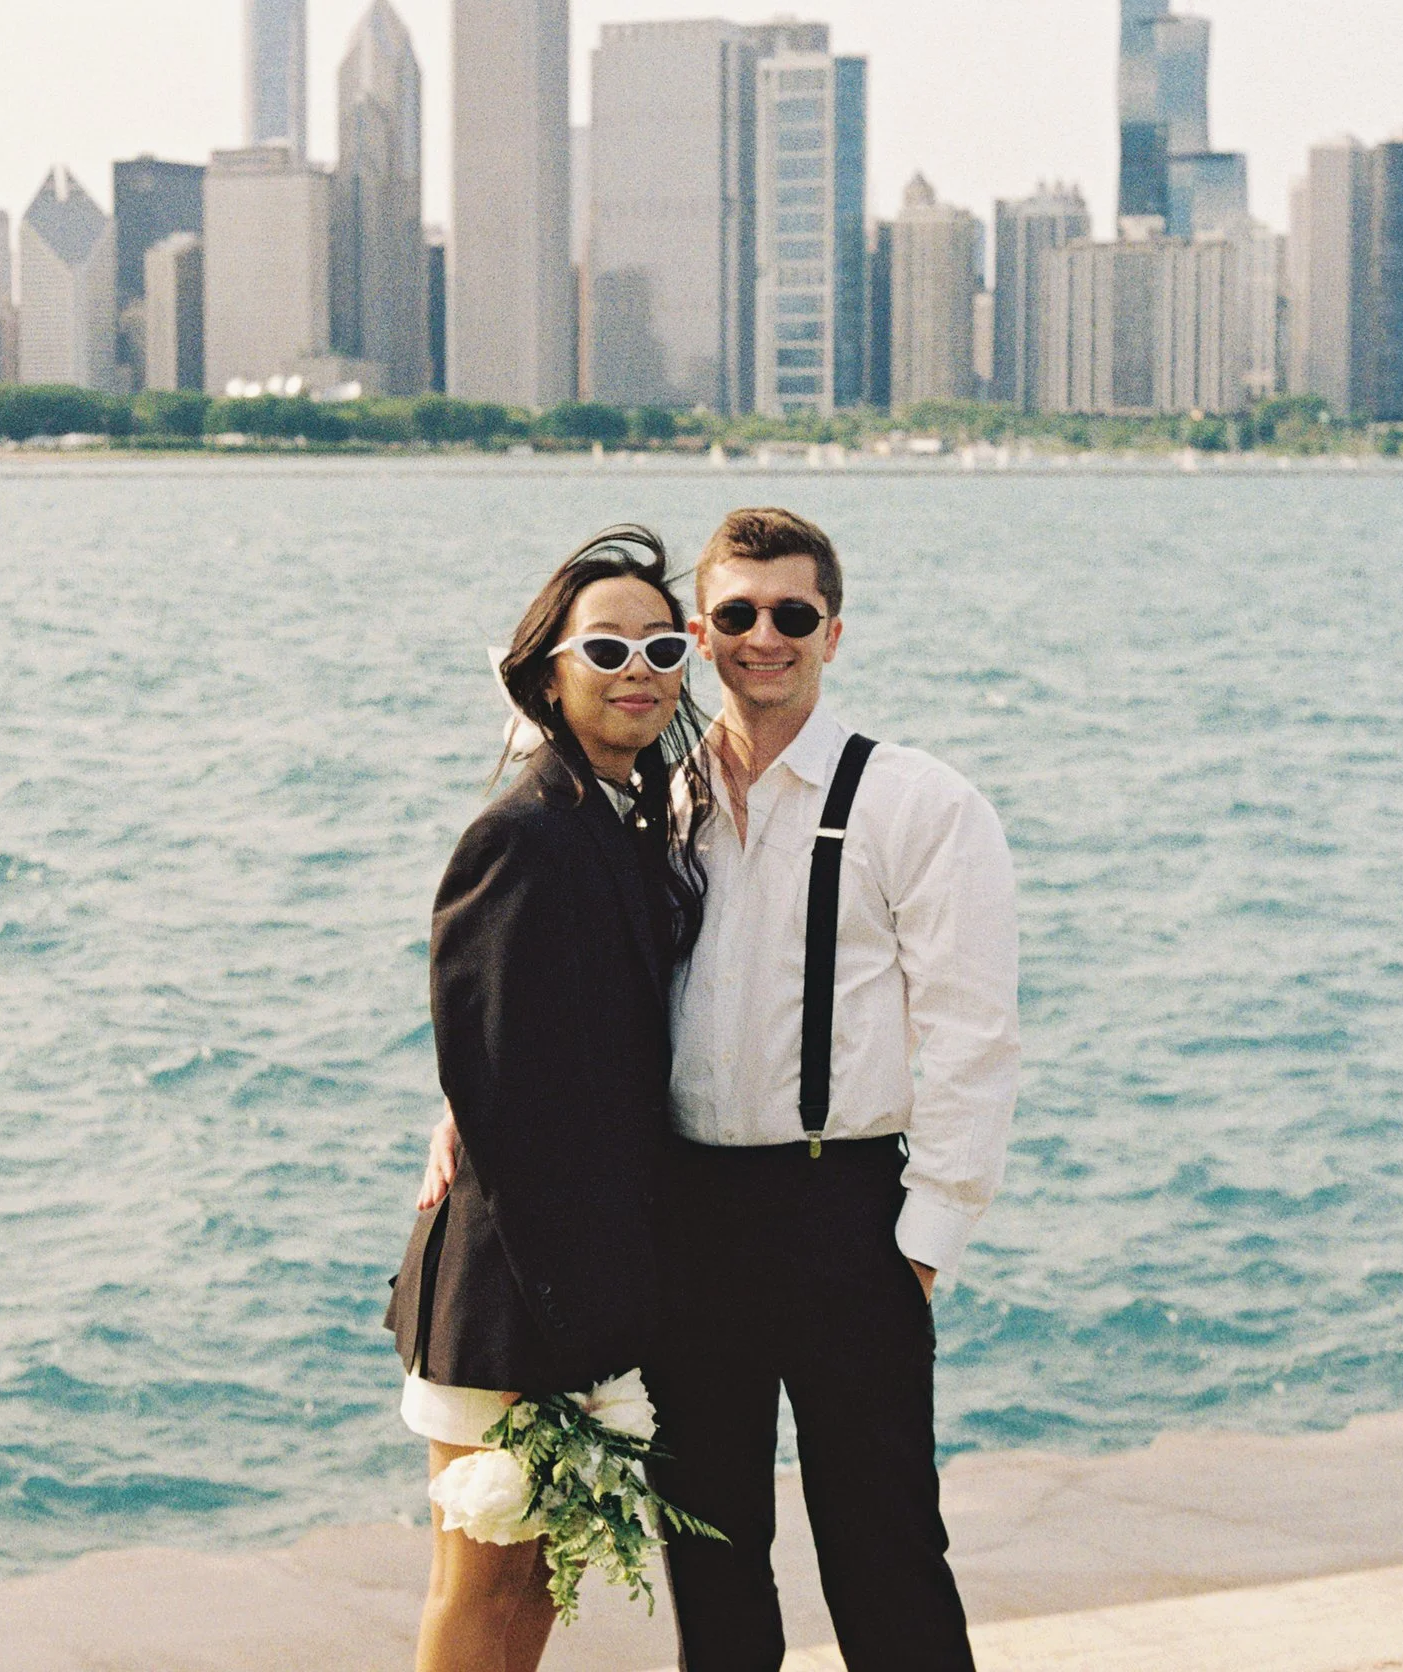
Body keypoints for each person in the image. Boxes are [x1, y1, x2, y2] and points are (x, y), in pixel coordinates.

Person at [420, 508, 1019, 1671]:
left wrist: (923, 1242)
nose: (763, 637)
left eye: (792, 614)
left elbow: (972, 1037)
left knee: (885, 1550)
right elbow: (563, 985)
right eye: (735, 614)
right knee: (711, 1557)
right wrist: (463, 1105)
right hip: (685, 1220)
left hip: (847, 1213)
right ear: (702, 632)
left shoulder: (918, 802)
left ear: (832, 632)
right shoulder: (655, 797)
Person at [385, 528, 714, 1672]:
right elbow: (494, 1089)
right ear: (545, 673)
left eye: (662, 647)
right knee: (480, 1581)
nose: (638, 670)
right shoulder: (522, 834)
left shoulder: (617, 818)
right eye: (606, 647)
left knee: (533, 1578)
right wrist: (570, 1315)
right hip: (511, 1291)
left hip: (572, 1284)